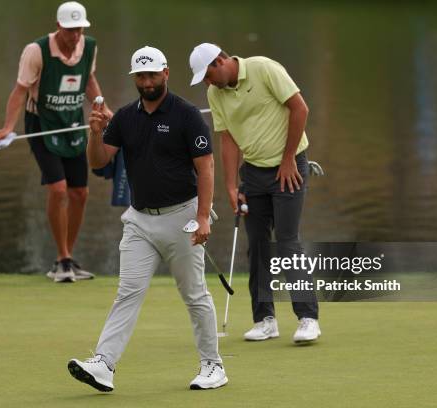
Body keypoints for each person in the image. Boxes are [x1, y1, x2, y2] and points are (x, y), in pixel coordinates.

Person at [67, 46, 227, 391]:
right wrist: (94, 133)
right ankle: (104, 364)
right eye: (141, 76)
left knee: (194, 294)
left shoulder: (186, 115)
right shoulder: (125, 117)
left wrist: (203, 217)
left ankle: (213, 365)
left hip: (182, 217)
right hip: (140, 220)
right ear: (134, 78)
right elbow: (98, 163)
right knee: (128, 292)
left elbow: (206, 167)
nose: (147, 81)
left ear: (166, 73)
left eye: (153, 74)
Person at [189, 43, 321, 343]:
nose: (208, 83)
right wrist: (232, 186)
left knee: (287, 242)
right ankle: (265, 319)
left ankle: (307, 317)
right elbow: (228, 140)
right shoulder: (216, 93)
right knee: (258, 245)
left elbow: (300, 108)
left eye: (208, 75)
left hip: (290, 166)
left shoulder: (264, 68)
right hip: (254, 173)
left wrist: (288, 159)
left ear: (220, 61)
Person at [0, 2, 113, 283]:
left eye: (79, 29)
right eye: (70, 30)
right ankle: (61, 259)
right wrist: (8, 127)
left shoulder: (89, 46)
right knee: (58, 189)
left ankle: (68, 257)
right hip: (42, 125)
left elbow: (88, 80)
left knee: (80, 193)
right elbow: (20, 90)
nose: (75, 35)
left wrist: (102, 106)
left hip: (72, 123)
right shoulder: (36, 51)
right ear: (59, 27)